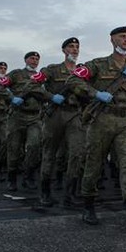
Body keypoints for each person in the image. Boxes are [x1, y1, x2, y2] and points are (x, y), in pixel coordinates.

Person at [69, 26, 126, 230]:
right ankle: (88, 205)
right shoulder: (97, 64)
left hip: (125, 121)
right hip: (102, 120)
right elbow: (73, 80)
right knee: (94, 164)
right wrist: (95, 93)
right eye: (122, 36)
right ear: (112, 39)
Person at [38, 37, 86, 208]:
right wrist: (51, 97)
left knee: (77, 153)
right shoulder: (52, 70)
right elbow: (32, 85)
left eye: (77, 47)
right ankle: (45, 192)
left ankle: (70, 194)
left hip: (74, 114)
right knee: (49, 153)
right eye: (71, 47)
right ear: (64, 50)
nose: (75, 50)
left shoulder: (82, 71)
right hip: (55, 115)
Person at [6, 52, 46, 191]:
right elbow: (0, 87)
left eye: (37, 59)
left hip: (35, 117)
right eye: (32, 58)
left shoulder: (41, 76)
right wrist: (11, 98)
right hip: (17, 116)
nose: (35, 61)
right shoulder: (16, 74)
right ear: (25, 60)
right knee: (14, 148)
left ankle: (28, 176)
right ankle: (11, 178)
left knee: (34, 146)